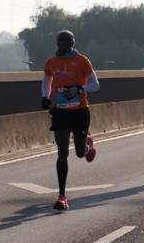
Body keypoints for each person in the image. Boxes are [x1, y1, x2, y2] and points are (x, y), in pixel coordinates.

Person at [40, 30, 100, 211]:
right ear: (57, 43)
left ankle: (88, 145)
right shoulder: (51, 62)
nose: (64, 44)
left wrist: (78, 89)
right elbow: (46, 81)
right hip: (60, 112)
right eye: (61, 41)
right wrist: (45, 96)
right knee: (62, 152)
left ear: (73, 42)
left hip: (80, 111)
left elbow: (95, 85)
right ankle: (62, 196)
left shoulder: (82, 60)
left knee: (80, 153)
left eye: (67, 41)